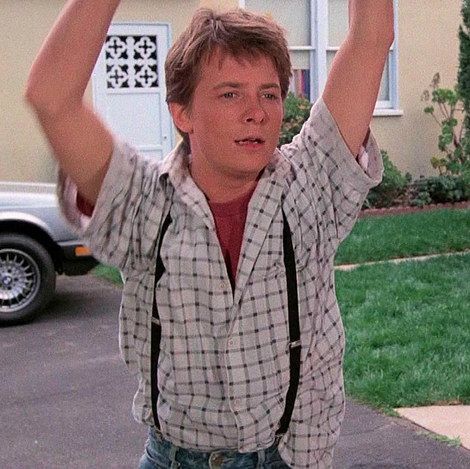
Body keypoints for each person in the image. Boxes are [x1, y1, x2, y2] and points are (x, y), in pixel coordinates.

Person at [25, 1, 394, 467]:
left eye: (269, 94)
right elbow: (52, 98)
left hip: (293, 457)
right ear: (182, 112)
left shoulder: (311, 185)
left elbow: (370, 40)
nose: (256, 113)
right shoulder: (144, 204)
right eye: (229, 94)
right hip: (177, 458)